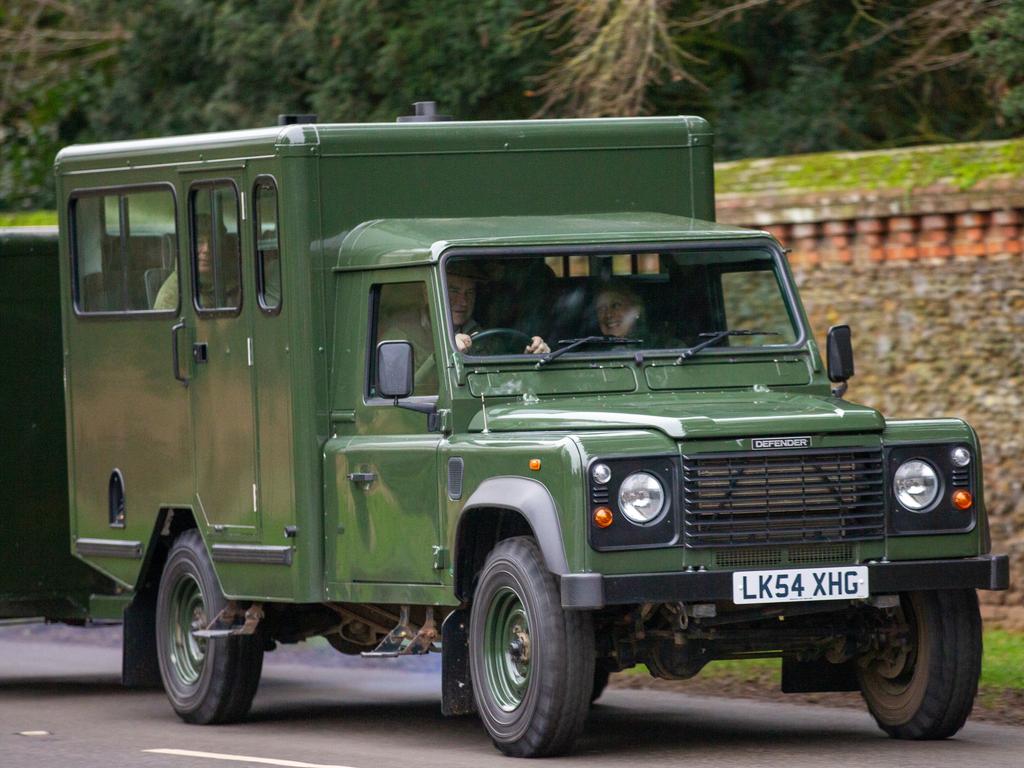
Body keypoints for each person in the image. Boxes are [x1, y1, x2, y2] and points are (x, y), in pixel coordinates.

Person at [448, 266, 550, 354]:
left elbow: (508, 373)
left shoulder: (486, 339)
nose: (464, 302)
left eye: (469, 293)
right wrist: (448, 350)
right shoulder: (432, 338)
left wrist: (533, 355)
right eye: (454, 291)